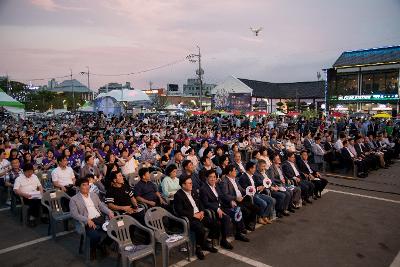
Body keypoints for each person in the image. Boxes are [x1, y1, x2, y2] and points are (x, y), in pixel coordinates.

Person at [199, 169, 248, 250]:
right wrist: (217, 209)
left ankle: (238, 233)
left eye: (214, 177)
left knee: (237, 211)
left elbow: (222, 196)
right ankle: (224, 240)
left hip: (222, 207)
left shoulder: (216, 185)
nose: (213, 179)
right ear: (206, 178)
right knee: (226, 218)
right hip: (213, 210)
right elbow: (206, 203)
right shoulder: (203, 189)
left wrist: (230, 201)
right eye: (210, 177)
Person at [173, 176, 219, 260]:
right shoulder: (178, 195)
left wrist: (201, 211)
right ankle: (198, 247)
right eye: (189, 183)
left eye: (191, 182)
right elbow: (179, 211)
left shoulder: (193, 191)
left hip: (200, 215)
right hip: (190, 218)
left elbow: (200, 202)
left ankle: (205, 243)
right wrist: (194, 215)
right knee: (200, 229)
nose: (191, 184)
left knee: (214, 223)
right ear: (183, 185)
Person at [69, 178, 114, 260]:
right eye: (84, 185)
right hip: (88, 221)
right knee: (95, 236)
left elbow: (101, 206)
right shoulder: (74, 199)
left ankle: (102, 245)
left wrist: (109, 212)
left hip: (100, 218)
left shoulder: (93, 195)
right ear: (78, 187)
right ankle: (93, 248)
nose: (87, 187)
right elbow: (74, 214)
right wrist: (86, 219)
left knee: (114, 231)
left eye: (87, 185)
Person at [219, 164, 259, 232]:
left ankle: (250, 224)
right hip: (234, 201)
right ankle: (244, 227)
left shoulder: (235, 179)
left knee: (256, 208)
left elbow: (241, 189)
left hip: (242, 199)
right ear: (229, 172)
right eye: (235, 171)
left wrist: (248, 191)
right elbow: (225, 195)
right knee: (246, 211)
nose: (236, 172)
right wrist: (235, 198)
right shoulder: (224, 181)